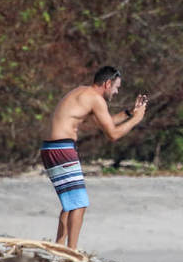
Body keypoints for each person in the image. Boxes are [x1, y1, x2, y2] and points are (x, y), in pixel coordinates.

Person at [42, 66, 148, 249]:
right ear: (107, 83)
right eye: (116, 87)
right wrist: (136, 120)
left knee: (71, 203)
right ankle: (71, 251)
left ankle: (59, 247)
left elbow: (103, 123)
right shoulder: (96, 99)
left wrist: (129, 113)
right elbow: (113, 134)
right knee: (79, 204)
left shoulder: (82, 93)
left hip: (51, 148)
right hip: (62, 149)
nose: (116, 92)